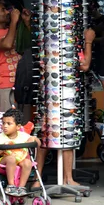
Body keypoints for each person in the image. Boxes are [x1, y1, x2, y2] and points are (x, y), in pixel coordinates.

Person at [31, 28, 95, 190]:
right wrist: (88, 41)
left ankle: (38, 179)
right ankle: (68, 178)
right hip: (66, 97)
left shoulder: (45, 44)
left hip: (48, 97)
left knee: (45, 137)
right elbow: (85, 65)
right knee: (66, 135)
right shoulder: (72, 46)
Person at [0, 3, 28, 111]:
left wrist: (26, 22)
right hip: (6, 85)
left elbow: (27, 45)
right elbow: (7, 45)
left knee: (22, 123)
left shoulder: (10, 30)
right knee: (10, 121)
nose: (7, 12)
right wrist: (14, 21)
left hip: (20, 82)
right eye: (3, 10)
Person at [0, 108, 40, 197]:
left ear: (18, 127)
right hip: (3, 160)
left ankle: (21, 187)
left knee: (27, 162)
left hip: (20, 160)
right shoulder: (1, 137)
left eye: (9, 124)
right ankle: (11, 186)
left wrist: (34, 139)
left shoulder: (23, 136)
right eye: (3, 123)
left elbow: (39, 144)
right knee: (11, 158)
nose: (5, 126)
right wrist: (3, 148)